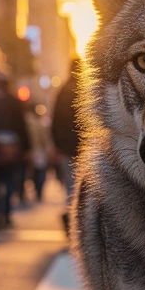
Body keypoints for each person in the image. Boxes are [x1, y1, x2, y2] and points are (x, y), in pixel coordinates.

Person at [0, 74, 30, 230]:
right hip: (11, 145)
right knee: (7, 181)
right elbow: (21, 126)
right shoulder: (14, 101)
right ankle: (5, 215)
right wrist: (25, 148)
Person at [52, 58, 81, 236]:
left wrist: (58, 146)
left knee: (71, 191)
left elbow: (55, 123)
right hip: (83, 150)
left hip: (66, 150)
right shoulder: (84, 91)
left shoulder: (62, 92)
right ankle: (79, 231)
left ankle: (73, 231)